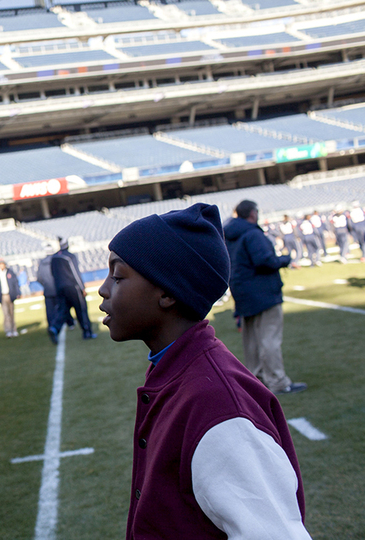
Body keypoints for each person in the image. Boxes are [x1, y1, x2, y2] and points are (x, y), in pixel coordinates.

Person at [98, 203, 311, 539]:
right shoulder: (178, 371)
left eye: (118, 275)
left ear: (167, 292)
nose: (104, 289)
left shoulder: (218, 407)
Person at [224, 200, 307, 395]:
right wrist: (285, 259)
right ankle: (277, 381)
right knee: (269, 338)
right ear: (252, 214)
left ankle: (257, 382)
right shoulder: (252, 233)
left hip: (242, 291)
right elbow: (264, 260)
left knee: (251, 341)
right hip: (262, 291)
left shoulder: (230, 235)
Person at [47, 238, 95, 344]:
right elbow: (75, 272)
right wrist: (82, 287)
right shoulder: (69, 257)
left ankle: (54, 328)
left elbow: (52, 274)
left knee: (63, 310)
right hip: (73, 287)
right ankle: (87, 332)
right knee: (81, 309)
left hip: (59, 287)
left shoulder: (54, 258)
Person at [36, 243, 73, 330]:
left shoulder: (41, 263)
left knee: (50, 311)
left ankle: (52, 326)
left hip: (48, 290)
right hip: (58, 288)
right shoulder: (56, 259)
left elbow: (39, 278)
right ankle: (70, 323)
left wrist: (46, 285)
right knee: (63, 307)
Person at [0, 258, 20, 337]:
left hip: (10, 295)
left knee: (12, 313)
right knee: (6, 314)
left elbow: (15, 283)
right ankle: (8, 330)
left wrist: (17, 293)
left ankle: (14, 329)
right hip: (2, 296)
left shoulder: (10, 272)